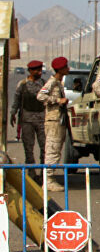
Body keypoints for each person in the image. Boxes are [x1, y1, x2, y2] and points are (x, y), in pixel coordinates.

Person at [37, 56, 70, 192]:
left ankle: (49, 178)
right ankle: (48, 180)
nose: (68, 69)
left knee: (56, 149)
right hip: (53, 120)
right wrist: (57, 100)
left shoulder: (58, 83)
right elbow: (40, 96)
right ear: (60, 69)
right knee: (52, 149)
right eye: (66, 66)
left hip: (59, 120)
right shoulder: (52, 82)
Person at [10, 60, 46, 164]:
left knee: (44, 148)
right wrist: (13, 113)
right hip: (27, 121)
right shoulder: (22, 84)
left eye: (40, 70)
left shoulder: (44, 84)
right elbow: (17, 100)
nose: (39, 72)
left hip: (42, 120)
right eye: (37, 70)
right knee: (28, 148)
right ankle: (31, 172)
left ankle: (43, 172)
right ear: (30, 71)